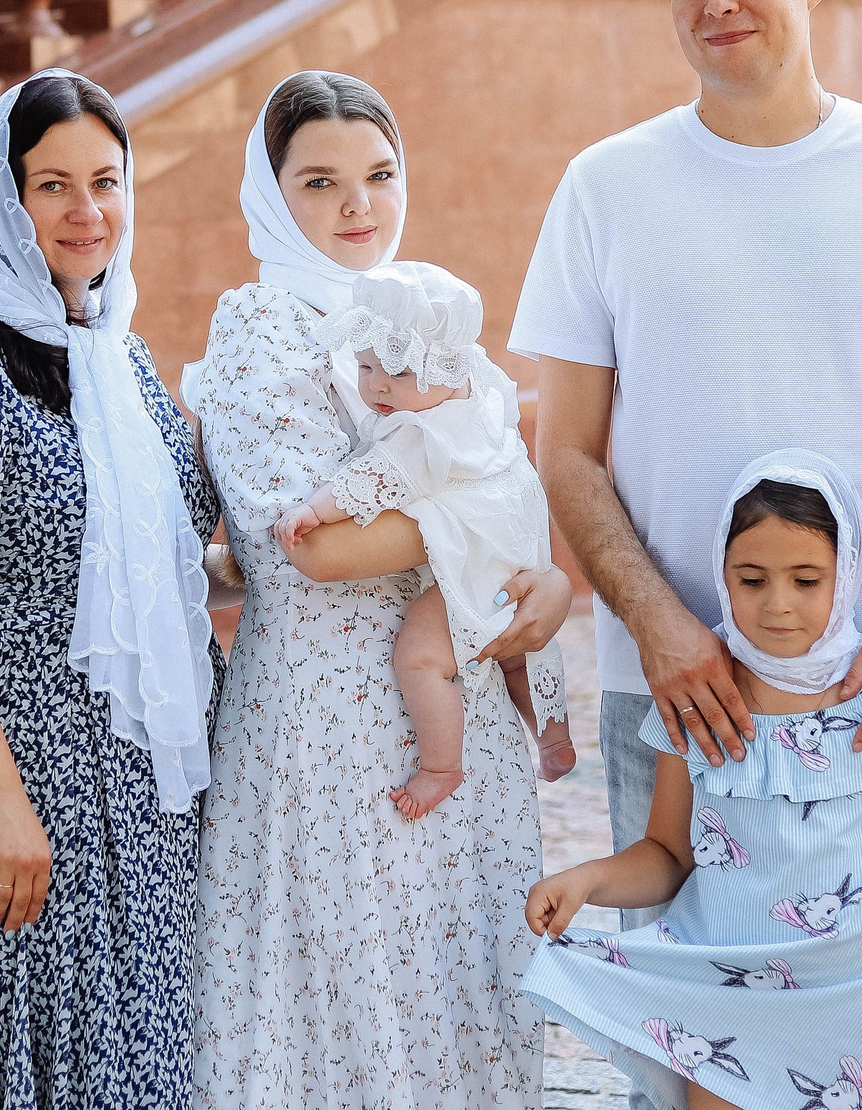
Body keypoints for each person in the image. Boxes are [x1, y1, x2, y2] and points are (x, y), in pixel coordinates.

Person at [511, 0, 862, 1031]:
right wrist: (663, 626)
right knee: (690, 1055)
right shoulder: (606, 185)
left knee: (860, 1048)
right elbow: (569, 451)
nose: (717, 2)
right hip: (681, 704)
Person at [187, 70, 573, 1109]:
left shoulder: (422, 314)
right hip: (328, 727)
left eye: (379, 173)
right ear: (273, 196)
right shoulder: (262, 323)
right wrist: (491, 528)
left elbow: (497, 476)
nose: (358, 205)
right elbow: (305, 544)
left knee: (457, 1007)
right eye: (319, 181)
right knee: (338, 1016)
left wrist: (531, 574)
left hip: (456, 718)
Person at [0, 70, 223, 1109]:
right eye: (52, 183)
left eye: (106, 181)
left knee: (129, 1060)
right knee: (1, 1058)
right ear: (1, 197)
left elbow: (184, 559)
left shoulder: (127, 365)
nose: (85, 211)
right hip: (11, 783)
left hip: (139, 797)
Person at [519, 453, 862, 1110]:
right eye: (751, 579)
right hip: (724, 995)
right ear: (722, 577)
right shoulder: (700, 705)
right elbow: (667, 857)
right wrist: (587, 880)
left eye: (807, 580)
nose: (778, 605)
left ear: (849, 573)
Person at [276, 260, 572, 819]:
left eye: (401, 373)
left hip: (475, 557)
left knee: (422, 655)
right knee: (516, 656)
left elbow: (370, 479)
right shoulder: (478, 398)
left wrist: (312, 510)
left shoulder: (423, 430)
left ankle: (441, 766)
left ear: (450, 368)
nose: (379, 386)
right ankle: (553, 737)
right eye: (365, 367)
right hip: (513, 548)